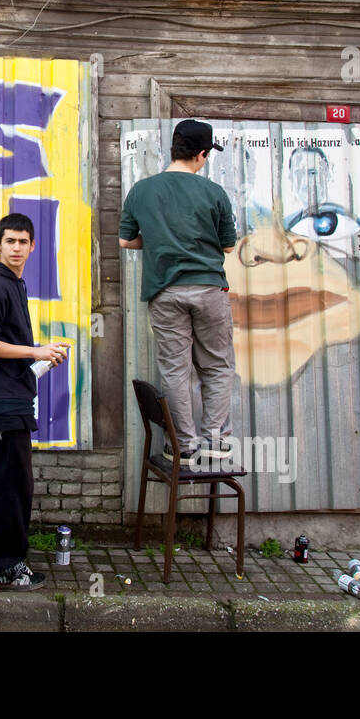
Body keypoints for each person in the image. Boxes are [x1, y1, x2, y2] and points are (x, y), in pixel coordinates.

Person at [119, 119, 237, 466]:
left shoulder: (142, 190)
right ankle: (215, 441)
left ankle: (182, 447)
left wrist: (157, 242)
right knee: (216, 366)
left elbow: (126, 240)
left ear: (174, 149)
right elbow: (229, 248)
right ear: (201, 154)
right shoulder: (214, 193)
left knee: (175, 369)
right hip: (209, 289)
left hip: (165, 291)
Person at [0, 212, 67, 591]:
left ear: (32, 246)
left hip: (9, 398)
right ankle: (5, 567)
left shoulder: (12, 283)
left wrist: (38, 357)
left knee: (1, 484)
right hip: (2, 404)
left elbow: (2, 341)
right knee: (13, 487)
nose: (16, 247)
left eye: (23, 241)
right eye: (9, 240)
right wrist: (36, 351)